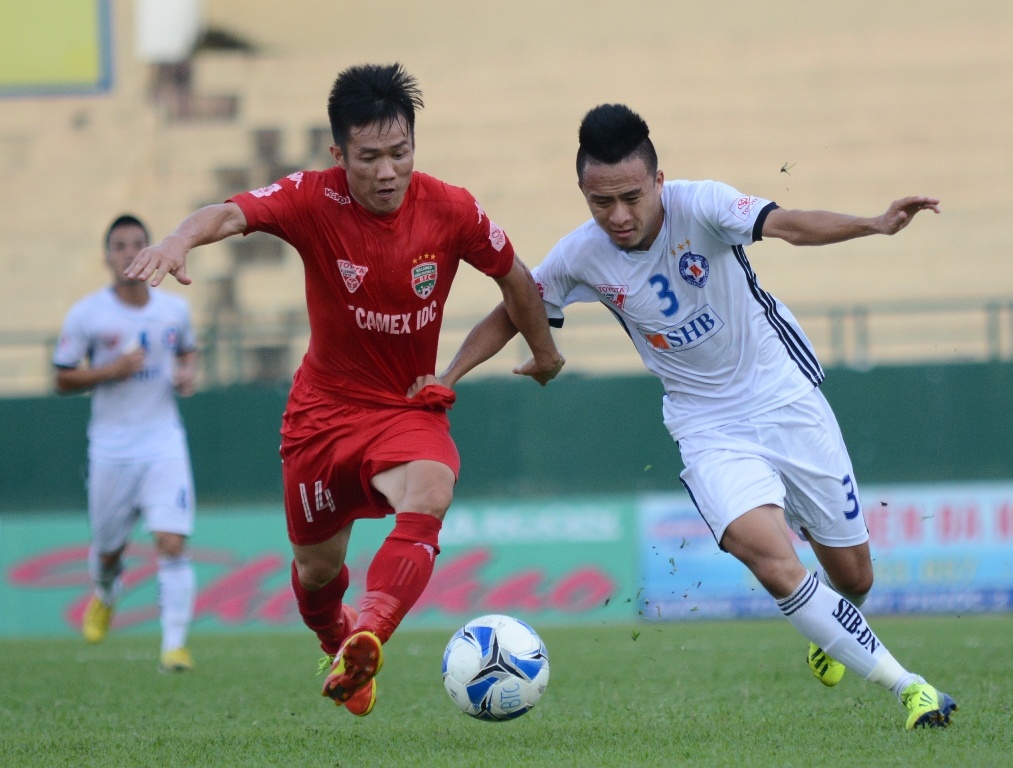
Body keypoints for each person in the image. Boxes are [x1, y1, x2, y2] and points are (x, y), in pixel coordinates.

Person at [440, 104, 958, 730]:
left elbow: (789, 224)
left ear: (659, 181)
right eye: (601, 203)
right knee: (771, 561)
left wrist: (873, 224)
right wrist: (447, 380)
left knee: (853, 579)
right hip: (704, 425)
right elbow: (516, 302)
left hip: (783, 395)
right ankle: (911, 688)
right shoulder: (581, 255)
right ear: (583, 193)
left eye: (631, 197)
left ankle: (831, 631)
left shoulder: (704, 205)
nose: (619, 217)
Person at [124, 63, 564, 716]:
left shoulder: (451, 208)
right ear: (339, 154)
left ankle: (370, 633)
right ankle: (342, 646)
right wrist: (177, 240)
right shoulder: (312, 198)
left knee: (433, 484)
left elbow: (518, 278)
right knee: (315, 574)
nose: (387, 172)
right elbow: (229, 211)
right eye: (369, 158)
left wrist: (543, 352)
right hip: (320, 417)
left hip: (403, 407)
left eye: (400, 153)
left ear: (414, 144)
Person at [54, 214, 200, 673]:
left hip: (163, 442)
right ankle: (105, 591)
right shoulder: (87, 315)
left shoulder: (173, 310)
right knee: (109, 551)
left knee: (172, 542)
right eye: (119, 246)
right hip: (111, 448)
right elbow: (61, 375)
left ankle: (174, 646)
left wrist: (187, 374)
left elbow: (187, 350)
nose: (128, 253)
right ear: (106, 256)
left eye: (137, 244)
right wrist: (109, 371)